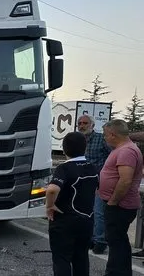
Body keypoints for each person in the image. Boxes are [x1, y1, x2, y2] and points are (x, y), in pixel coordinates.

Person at [46, 132, 99, 276]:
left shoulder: (64, 168)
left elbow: (52, 189)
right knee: (81, 258)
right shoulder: (92, 167)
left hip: (65, 220)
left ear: (64, 148)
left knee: (61, 259)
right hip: (87, 220)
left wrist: (49, 206)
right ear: (85, 147)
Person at [99, 119, 143, 276]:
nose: (104, 138)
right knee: (119, 240)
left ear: (112, 134)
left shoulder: (126, 151)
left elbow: (125, 180)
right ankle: (122, 272)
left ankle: (114, 272)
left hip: (120, 205)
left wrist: (112, 202)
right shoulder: (124, 148)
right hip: (118, 204)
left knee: (116, 241)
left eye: (105, 135)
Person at [77, 114, 112, 254]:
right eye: (79, 123)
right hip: (82, 181)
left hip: (99, 181)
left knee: (98, 212)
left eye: (85, 123)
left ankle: (100, 241)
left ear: (92, 125)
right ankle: (89, 238)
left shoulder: (101, 139)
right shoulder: (78, 140)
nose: (82, 125)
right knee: (86, 211)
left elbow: (113, 156)